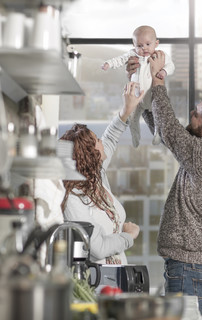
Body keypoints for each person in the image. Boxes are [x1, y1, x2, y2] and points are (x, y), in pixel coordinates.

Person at [129, 51, 202, 318]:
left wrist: (158, 80)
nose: (191, 113)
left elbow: (169, 130)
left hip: (189, 267)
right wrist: (142, 88)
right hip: (194, 266)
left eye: (197, 114)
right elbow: (168, 134)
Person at [60, 82, 143, 265]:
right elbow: (97, 248)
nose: (102, 142)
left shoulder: (96, 177)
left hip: (118, 278)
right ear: (90, 155)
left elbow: (111, 137)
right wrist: (128, 236)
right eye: (97, 140)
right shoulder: (73, 199)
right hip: (96, 284)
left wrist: (126, 110)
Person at [102, 25, 175, 147]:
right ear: (134, 45)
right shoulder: (133, 55)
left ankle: (157, 133)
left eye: (148, 44)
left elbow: (171, 66)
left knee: (158, 116)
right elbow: (120, 59)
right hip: (136, 97)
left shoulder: (160, 55)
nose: (144, 48)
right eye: (139, 46)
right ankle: (135, 135)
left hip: (151, 96)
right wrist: (108, 64)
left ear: (156, 43)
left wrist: (164, 71)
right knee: (133, 119)